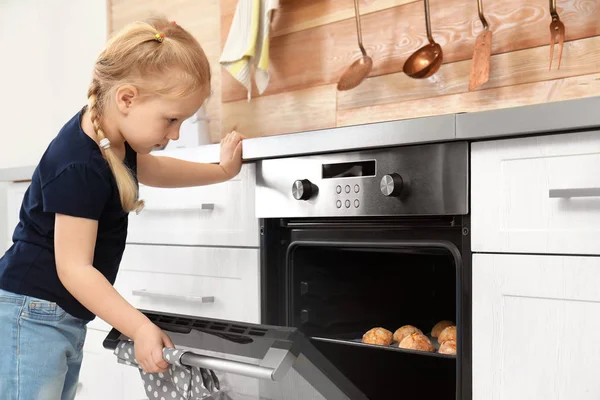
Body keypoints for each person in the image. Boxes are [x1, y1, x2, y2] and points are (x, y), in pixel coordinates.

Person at [0, 17, 244, 400]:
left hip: (55, 315)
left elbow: (153, 169)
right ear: (127, 98)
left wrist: (220, 171)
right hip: (31, 316)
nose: (175, 133)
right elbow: (74, 268)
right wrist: (139, 327)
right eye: (171, 119)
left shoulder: (109, 136)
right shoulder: (79, 163)